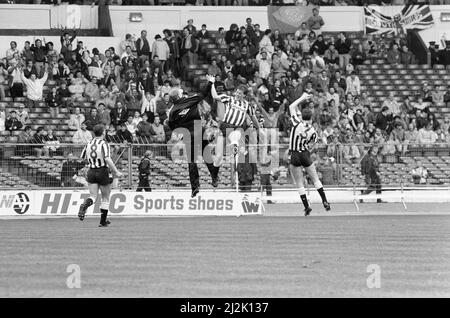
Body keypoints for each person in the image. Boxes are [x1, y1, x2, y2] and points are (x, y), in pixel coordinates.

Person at [166, 76, 219, 198]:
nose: (183, 93)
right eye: (181, 93)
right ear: (179, 96)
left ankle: (195, 187)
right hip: (199, 130)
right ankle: (214, 177)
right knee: (207, 156)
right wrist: (210, 82)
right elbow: (204, 93)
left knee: (192, 162)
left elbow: (171, 126)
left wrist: (180, 135)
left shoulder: (172, 111)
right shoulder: (189, 101)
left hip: (187, 135)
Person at [288, 93, 331, 216]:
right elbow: (313, 143)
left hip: (295, 154)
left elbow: (291, 107)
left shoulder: (296, 123)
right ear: (311, 118)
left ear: (302, 116)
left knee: (299, 182)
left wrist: (302, 98)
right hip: (305, 154)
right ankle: (325, 201)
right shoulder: (313, 131)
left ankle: (307, 207)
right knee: (315, 179)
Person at [78, 124, 123, 227]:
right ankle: (102, 221)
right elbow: (107, 158)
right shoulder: (104, 143)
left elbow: (82, 157)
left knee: (93, 196)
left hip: (91, 171)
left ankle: (85, 205)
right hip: (102, 171)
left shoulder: (88, 143)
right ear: (103, 132)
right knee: (105, 197)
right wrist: (116, 171)